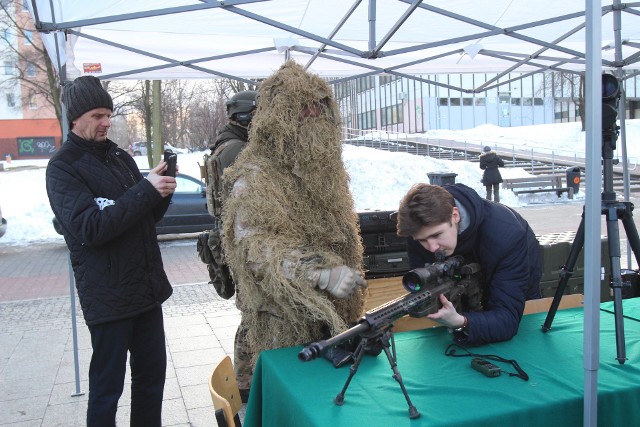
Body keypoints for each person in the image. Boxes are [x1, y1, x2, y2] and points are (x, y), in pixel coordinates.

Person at [220, 61, 367, 374]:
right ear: (279, 116)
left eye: (321, 106)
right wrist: (318, 273)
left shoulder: (324, 169)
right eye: (303, 107)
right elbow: (257, 250)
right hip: (286, 325)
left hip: (335, 320)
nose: (315, 115)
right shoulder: (257, 175)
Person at [45, 75, 177, 426]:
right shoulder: (63, 168)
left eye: (108, 114)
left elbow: (145, 219)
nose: (106, 122)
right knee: (107, 390)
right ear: (76, 118)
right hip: (109, 298)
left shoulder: (119, 157)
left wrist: (160, 189)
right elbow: (92, 228)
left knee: (151, 381)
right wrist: (144, 192)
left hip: (146, 291)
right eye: (97, 115)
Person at [397, 183, 541, 346]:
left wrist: (462, 322)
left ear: (455, 215)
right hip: (467, 279)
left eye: (437, 235)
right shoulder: (420, 227)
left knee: (527, 337)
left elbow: (507, 319)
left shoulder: (507, 236)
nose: (432, 248)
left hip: (513, 262)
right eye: (422, 240)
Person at [199, 89, 257, 402]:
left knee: (250, 313)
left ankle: (246, 380)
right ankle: (245, 383)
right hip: (242, 242)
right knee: (252, 313)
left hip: (234, 238)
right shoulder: (236, 150)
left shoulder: (226, 144)